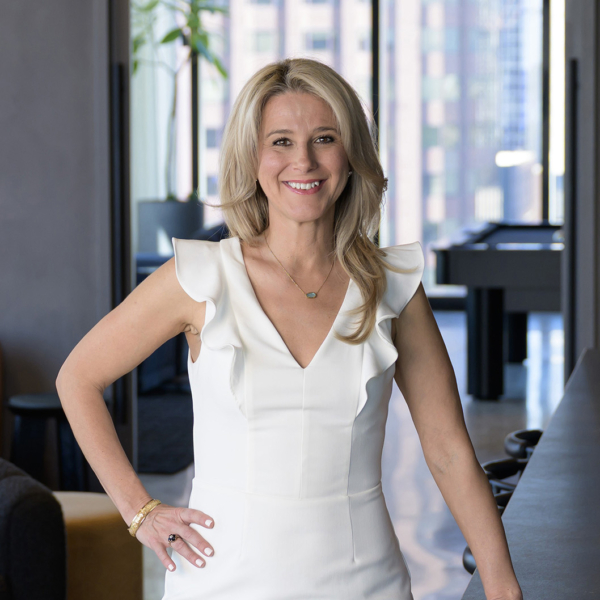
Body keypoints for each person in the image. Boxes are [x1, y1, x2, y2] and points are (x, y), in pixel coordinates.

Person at [56, 58, 523, 600]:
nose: (304, 160)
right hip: (221, 582)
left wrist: (502, 585)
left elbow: (448, 450)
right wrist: (139, 511)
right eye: (281, 141)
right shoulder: (199, 277)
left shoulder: (394, 286)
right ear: (252, 157)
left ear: (351, 154)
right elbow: (78, 378)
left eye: (325, 138)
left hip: (366, 584)